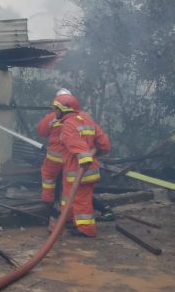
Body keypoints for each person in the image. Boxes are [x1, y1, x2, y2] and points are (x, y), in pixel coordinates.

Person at [36, 89, 115, 222]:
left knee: (50, 179)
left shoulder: (55, 117)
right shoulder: (83, 117)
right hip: (74, 161)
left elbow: (42, 131)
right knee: (77, 190)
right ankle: (71, 217)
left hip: (61, 159)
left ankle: (49, 205)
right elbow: (101, 141)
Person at [55, 93, 111, 237]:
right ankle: (68, 221)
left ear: (65, 109)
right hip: (79, 172)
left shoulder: (68, 125)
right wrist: (94, 152)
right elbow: (104, 144)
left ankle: (86, 230)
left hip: (79, 171)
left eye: (56, 109)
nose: (55, 112)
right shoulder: (86, 119)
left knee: (81, 201)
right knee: (69, 198)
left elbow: (77, 146)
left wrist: (85, 158)